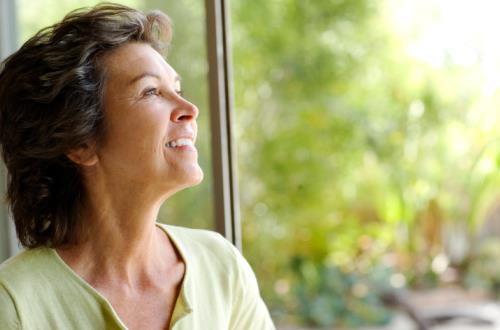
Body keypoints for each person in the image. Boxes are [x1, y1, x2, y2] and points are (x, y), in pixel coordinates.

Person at [0, 3, 275, 329]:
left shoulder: (221, 267)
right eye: (151, 92)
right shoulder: (14, 303)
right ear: (80, 143)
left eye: (177, 88)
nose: (190, 109)